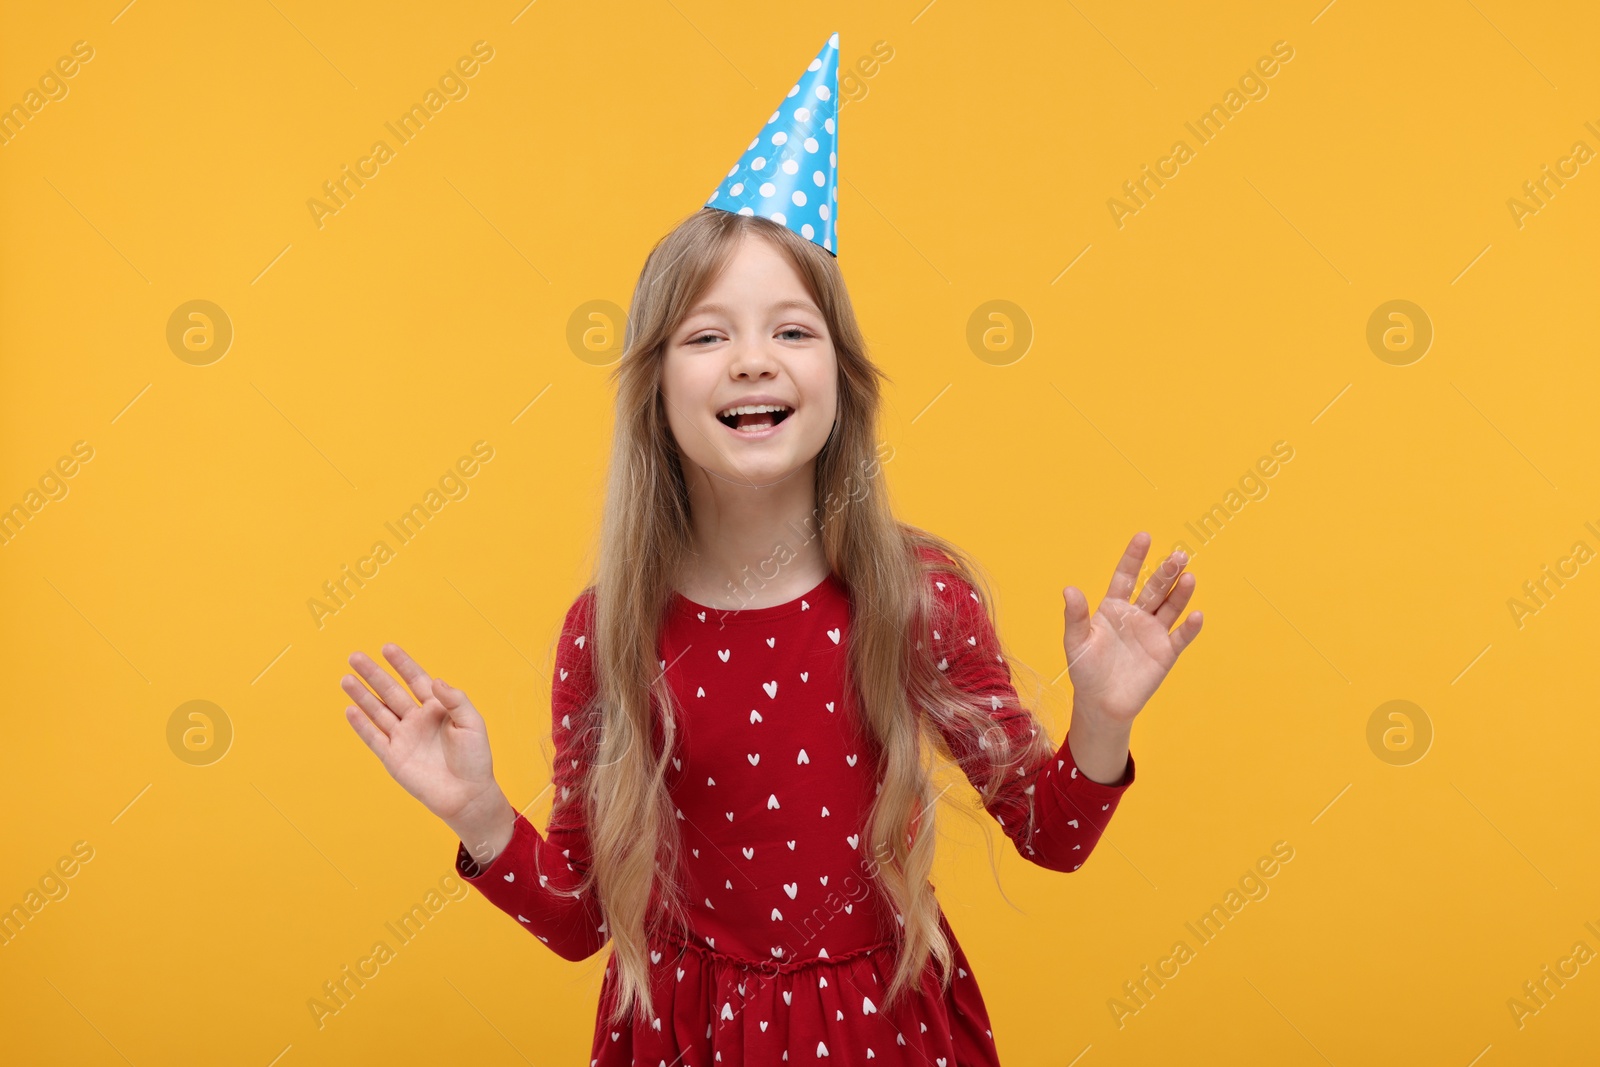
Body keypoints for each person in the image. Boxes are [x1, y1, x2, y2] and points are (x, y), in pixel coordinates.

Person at [339, 34, 1202, 1065]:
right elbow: (578, 918)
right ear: (656, 393)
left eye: (792, 331)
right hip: (684, 1036)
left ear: (842, 379)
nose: (752, 359)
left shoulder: (914, 593)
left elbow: (1051, 838)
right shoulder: (608, 628)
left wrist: (1102, 720)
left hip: (884, 1029)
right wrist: (480, 811)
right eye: (708, 336)